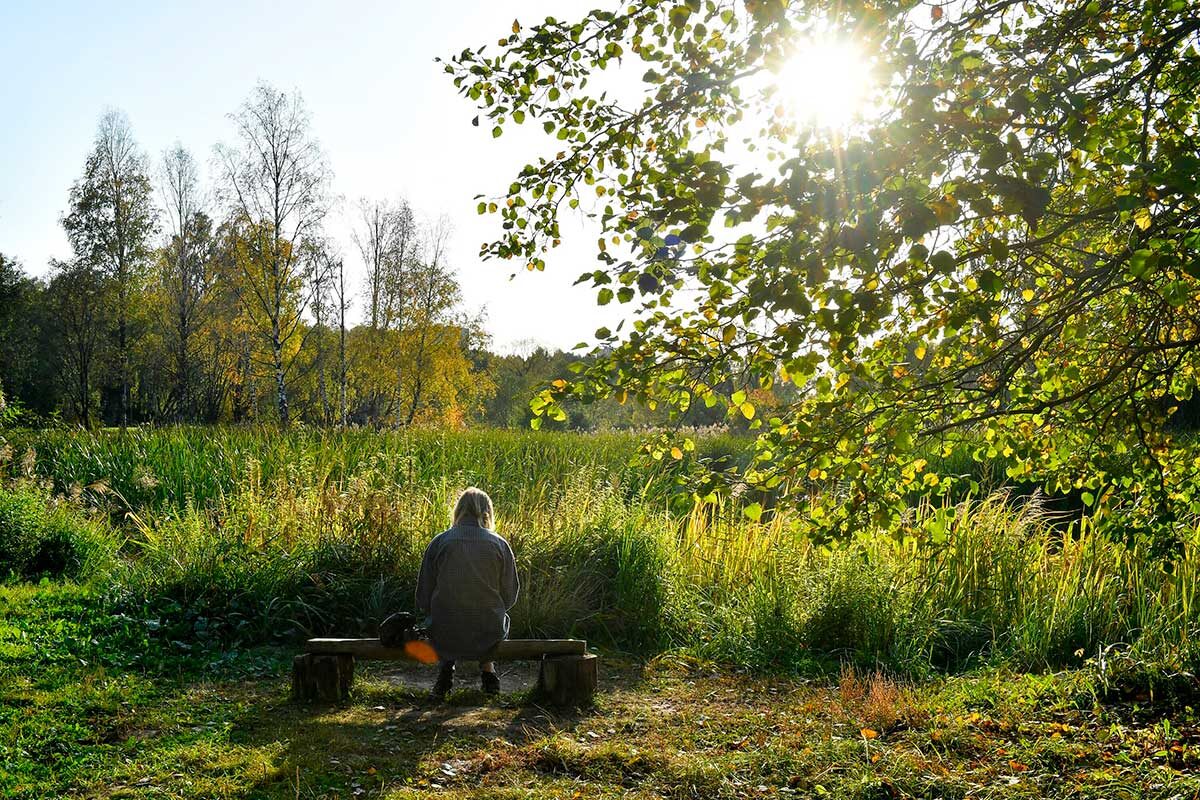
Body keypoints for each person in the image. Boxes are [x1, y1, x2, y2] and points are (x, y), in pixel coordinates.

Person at [416, 486, 519, 698]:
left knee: (446, 614)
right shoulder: (499, 544)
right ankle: (488, 672)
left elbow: (423, 594)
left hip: (445, 633)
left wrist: (434, 611)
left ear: (458, 510)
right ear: (487, 512)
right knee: (498, 616)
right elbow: (510, 595)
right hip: (487, 632)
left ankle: (446, 670)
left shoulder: (440, 542)